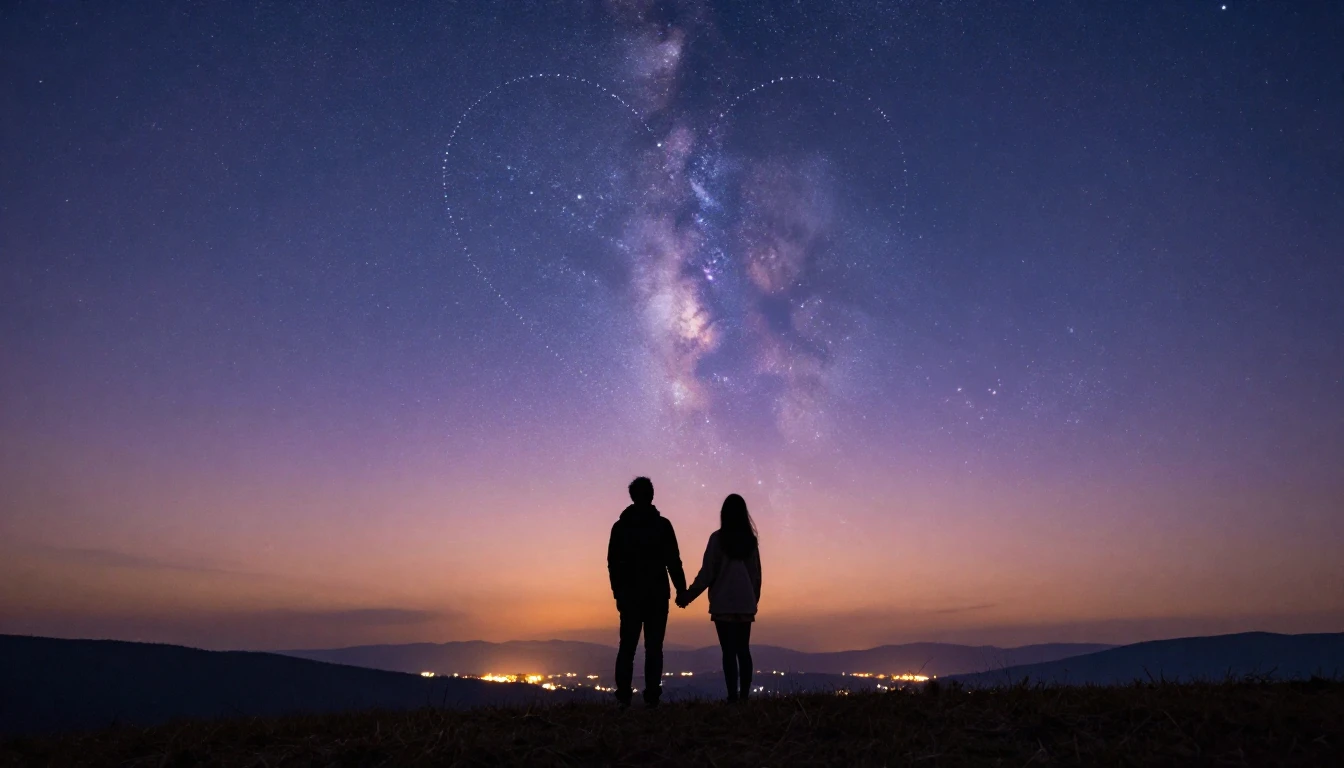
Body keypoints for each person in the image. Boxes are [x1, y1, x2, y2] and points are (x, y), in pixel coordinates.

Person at [607, 476, 687, 708]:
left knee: (627, 647)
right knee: (654, 648)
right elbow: (674, 561)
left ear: (632, 496)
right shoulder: (662, 525)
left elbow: (613, 564)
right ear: (652, 495)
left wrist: (618, 593)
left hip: (630, 596)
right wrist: (681, 590)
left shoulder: (620, 528)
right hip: (656, 595)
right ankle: (652, 697)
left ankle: (624, 697)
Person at [676, 493, 762, 703]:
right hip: (744, 604)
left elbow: (707, 573)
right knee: (744, 650)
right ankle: (744, 697)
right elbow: (756, 576)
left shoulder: (718, 539)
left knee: (728, 652)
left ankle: (732, 696)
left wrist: (689, 595)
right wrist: (753, 601)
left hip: (723, 603)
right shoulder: (749, 542)